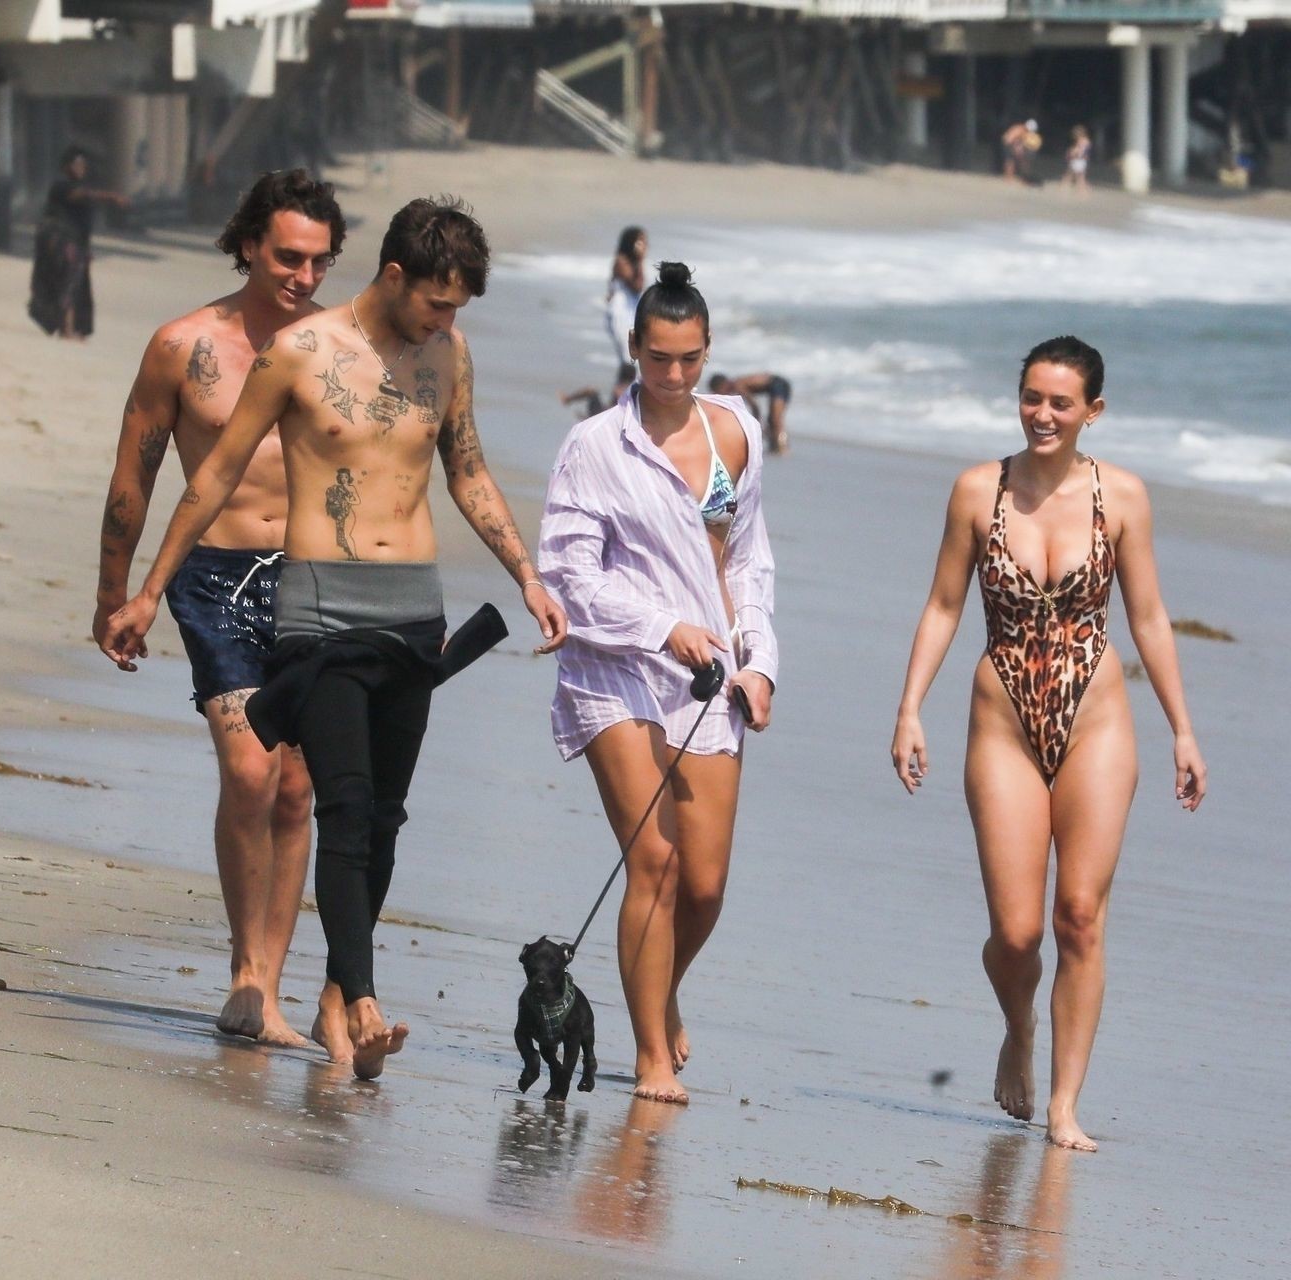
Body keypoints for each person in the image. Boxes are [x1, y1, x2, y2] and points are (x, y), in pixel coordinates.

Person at [101, 197, 568, 1079]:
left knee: (383, 818)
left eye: (458, 308)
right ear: (394, 276)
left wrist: (528, 576)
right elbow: (216, 474)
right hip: (319, 610)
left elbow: (467, 470)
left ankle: (332, 997)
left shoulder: (449, 354)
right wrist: (148, 590)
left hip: (414, 612)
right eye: (437, 302)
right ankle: (361, 1001)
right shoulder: (301, 351)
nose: (445, 320)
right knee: (342, 805)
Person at [889, 336, 1206, 1151]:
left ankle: (1064, 1106)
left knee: (1080, 918)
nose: (1043, 414)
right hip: (1003, 725)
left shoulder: (1122, 497)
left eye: (1061, 402)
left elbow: (1148, 618)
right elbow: (943, 605)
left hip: (1096, 720)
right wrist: (910, 708)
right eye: (1032, 397)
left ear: (1092, 411)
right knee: (1018, 935)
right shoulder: (978, 490)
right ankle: (1018, 1025)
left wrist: (1182, 729)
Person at [93, 169, 344, 1048]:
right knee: (250, 772)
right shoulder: (182, 346)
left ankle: (264, 989)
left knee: (298, 788)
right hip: (215, 576)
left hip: (316, 580)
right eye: (288, 257)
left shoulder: (339, 350)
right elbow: (135, 473)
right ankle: (244, 969)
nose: (304, 276)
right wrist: (115, 593)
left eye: (319, 261)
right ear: (247, 245)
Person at [539, 261, 780, 1105]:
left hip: (710, 677)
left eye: (688, 359)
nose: (673, 376)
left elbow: (747, 563)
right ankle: (650, 1058)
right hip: (613, 668)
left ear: (707, 351)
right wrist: (661, 627)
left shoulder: (736, 432)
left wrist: (760, 663)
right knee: (655, 861)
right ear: (634, 350)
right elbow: (569, 574)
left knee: (704, 886)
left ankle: (660, 987)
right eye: (657, 359)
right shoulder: (595, 446)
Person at [28, 146, 128, 340]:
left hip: (77, 244)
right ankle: (66, 329)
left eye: (83, 165)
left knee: (76, 287)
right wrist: (111, 197)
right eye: (77, 164)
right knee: (67, 286)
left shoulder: (79, 187)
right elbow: (80, 195)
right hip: (63, 244)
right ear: (67, 166)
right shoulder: (62, 186)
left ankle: (72, 328)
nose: (81, 168)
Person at [605, 225, 648, 403]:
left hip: (631, 311)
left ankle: (627, 397)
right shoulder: (622, 261)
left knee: (634, 355)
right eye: (641, 241)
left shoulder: (635, 264)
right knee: (628, 356)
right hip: (621, 312)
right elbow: (636, 285)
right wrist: (640, 260)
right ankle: (619, 399)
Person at [706, 371, 793, 455]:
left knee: (776, 419)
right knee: (772, 421)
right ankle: (775, 448)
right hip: (775, 388)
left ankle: (782, 448)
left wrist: (756, 425)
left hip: (779, 385)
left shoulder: (738, 385)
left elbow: (754, 406)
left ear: (722, 386)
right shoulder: (737, 385)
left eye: (718, 392)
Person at [1062, 126, 1091, 194]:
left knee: (1074, 176)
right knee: (1077, 176)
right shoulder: (1086, 141)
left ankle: (1082, 191)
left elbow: (1079, 151)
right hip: (1082, 161)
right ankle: (1084, 190)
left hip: (1078, 160)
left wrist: (1071, 154)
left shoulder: (1082, 141)